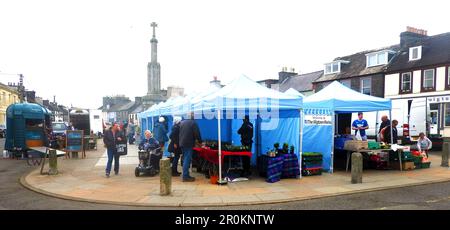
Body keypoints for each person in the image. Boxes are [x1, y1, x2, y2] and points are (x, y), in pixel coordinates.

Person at [179, 112, 202, 182]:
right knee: (187, 159)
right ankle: (185, 176)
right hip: (188, 143)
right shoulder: (193, 123)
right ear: (192, 116)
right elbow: (197, 133)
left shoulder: (182, 122)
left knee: (185, 158)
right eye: (194, 115)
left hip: (182, 143)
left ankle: (186, 175)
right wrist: (200, 141)